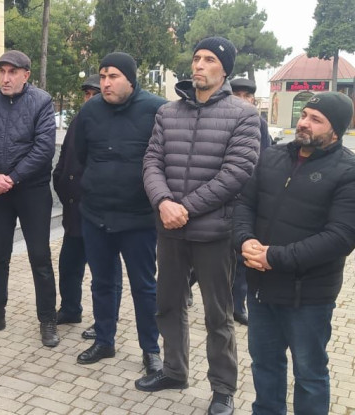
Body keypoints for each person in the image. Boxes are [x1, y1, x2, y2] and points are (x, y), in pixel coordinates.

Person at [139, 36, 259, 415]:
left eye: (209, 60)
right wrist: (163, 202)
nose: (199, 65)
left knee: (218, 315)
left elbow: (237, 172)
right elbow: (152, 162)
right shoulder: (168, 113)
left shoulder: (243, 115)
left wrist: (183, 208)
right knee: (168, 305)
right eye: (196, 58)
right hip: (170, 231)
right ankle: (174, 371)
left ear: (225, 70)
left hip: (214, 233)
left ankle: (222, 389)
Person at [234, 91, 355, 414]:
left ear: (336, 130)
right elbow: (245, 204)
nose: (304, 123)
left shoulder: (352, 172)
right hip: (261, 288)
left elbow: (340, 237)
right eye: (304, 115)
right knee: (264, 364)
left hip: (308, 295)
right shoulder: (272, 156)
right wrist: (244, 240)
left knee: (309, 373)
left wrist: (273, 257)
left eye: (316, 119)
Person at [73, 52, 166, 375]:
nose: (106, 83)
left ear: (130, 79)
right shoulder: (90, 110)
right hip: (96, 214)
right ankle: (104, 340)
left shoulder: (157, 109)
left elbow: (165, 159)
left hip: (138, 218)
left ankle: (151, 349)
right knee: (102, 282)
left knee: (144, 286)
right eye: (102, 77)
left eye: (113, 76)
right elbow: (81, 154)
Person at [0, 50, 60, 347]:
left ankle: (47, 319)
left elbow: (44, 148)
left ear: (26, 75)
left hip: (32, 191)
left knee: (39, 256)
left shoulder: (42, 101)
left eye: (12, 72)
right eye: (2, 71)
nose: (5, 78)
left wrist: (13, 177)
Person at [53, 74, 119, 340]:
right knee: (68, 265)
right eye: (87, 94)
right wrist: (60, 181)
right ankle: (70, 308)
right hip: (74, 211)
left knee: (104, 273)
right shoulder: (78, 121)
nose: (89, 99)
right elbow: (65, 159)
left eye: (95, 94)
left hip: (100, 213)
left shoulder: (113, 123)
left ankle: (106, 320)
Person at [228, 77, 273, 325]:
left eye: (248, 96)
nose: (243, 100)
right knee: (209, 255)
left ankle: (237, 305)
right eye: (238, 95)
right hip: (218, 198)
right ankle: (190, 284)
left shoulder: (259, 124)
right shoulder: (219, 119)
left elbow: (265, 158)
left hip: (246, 198)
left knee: (240, 257)